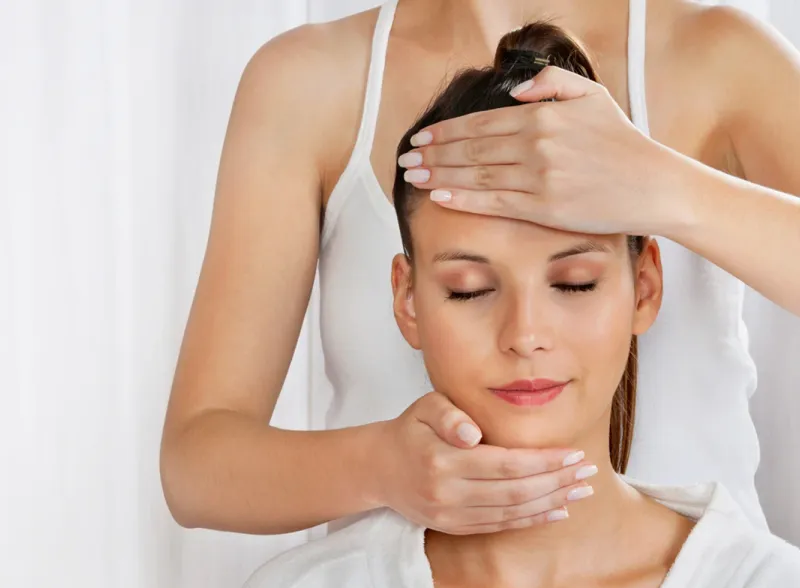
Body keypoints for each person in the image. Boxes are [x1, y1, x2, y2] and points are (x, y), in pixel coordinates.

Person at [160, 0, 800, 538]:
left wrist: (662, 185)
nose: (525, 335)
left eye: (576, 282)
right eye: (467, 290)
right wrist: (381, 467)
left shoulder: (716, 56)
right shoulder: (308, 81)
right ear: (406, 296)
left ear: (646, 283)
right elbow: (196, 467)